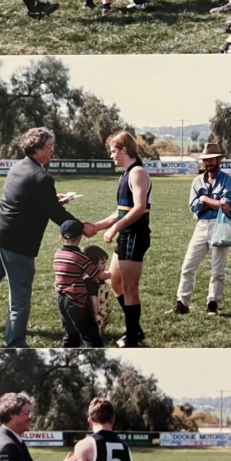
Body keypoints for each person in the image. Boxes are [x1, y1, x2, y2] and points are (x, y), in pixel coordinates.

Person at [0, 128, 96, 348]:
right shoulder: (42, 177)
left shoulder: (17, 167)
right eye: (49, 146)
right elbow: (55, 213)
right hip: (17, 243)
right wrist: (80, 227)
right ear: (37, 149)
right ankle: (15, 343)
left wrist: (53, 200)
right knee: (19, 298)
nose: (52, 150)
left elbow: (26, 199)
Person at [93, 132, 152, 348]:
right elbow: (122, 211)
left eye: (113, 151)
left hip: (135, 235)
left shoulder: (137, 172)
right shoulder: (126, 174)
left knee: (129, 287)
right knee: (115, 281)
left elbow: (139, 208)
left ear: (124, 150)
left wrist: (115, 228)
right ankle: (135, 329)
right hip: (127, 235)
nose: (111, 156)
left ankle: (132, 338)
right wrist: (98, 226)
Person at [173, 140, 231, 316]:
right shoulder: (197, 181)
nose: (208, 163)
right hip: (201, 225)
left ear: (219, 159)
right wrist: (213, 203)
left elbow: (226, 206)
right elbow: (194, 207)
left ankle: (213, 303)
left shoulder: (228, 181)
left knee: (217, 269)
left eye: (212, 159)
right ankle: (182, 302)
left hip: (220, 224)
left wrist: (203, 199)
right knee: (188, 266)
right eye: (206, 160)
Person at [53, 218, 104, 348]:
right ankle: (95, 355)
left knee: (70, 333)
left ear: (61, 238)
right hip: (76, 300)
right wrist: (111, 274)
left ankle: (67, 355)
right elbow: (96, 275)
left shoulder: (58, 254)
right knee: (90, 335)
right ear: (80, 238)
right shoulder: (81, 258)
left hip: (61, 299)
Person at [83, 245, 112, 335]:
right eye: (102, 263)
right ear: (93, 264)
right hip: (98, 310)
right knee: (96, 327)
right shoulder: (91, 281)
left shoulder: (99, 277)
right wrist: (96, 314)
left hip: (103, 307)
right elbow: (93, 298)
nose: (105, 266)